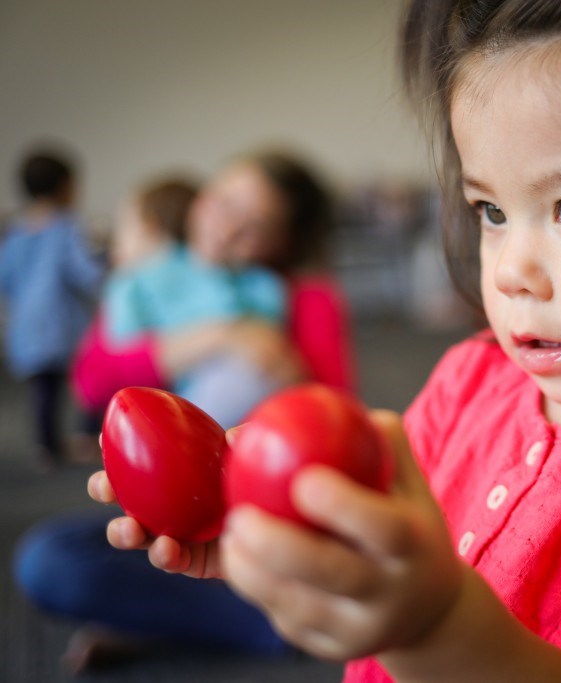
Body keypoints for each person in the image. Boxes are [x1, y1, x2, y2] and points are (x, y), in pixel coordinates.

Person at [86, 1, 561, 681]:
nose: (513, 271)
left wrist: (431, 625)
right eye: (492, 211)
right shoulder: (474, 380)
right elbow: (378, 537)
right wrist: (273, 529)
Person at [14, 149, 358, 672]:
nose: (226, 225)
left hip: (263, 512)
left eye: (254, 225)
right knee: (49, 558)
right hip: (180, 509)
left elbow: (338, 422)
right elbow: (93, 382)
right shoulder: (155, 280)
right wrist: (216, 335)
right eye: (223, 201)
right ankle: (263, 619)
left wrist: (287, 387)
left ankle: (264, 616)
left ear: (282, 243)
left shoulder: (298, 299)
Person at [104, 174, 288, 429]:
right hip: (179, 404)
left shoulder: (265, 285)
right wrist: (224, 334)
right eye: (227, 206)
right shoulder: (140, 280)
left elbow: (268, 354)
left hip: (250, 405)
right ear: (201, 203)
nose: (230, 230)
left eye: (255, 227)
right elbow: (124, 358)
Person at [0, 145, 105, 469]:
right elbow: (84, 271)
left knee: (42, 386)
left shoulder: (15, 234)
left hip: (25, 324)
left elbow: (5, 277)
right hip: (59, 323)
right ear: (64, 187)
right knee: (89, 374)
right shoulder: (64, 228)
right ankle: (86, 435)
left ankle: (44, 445)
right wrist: (105, 263)